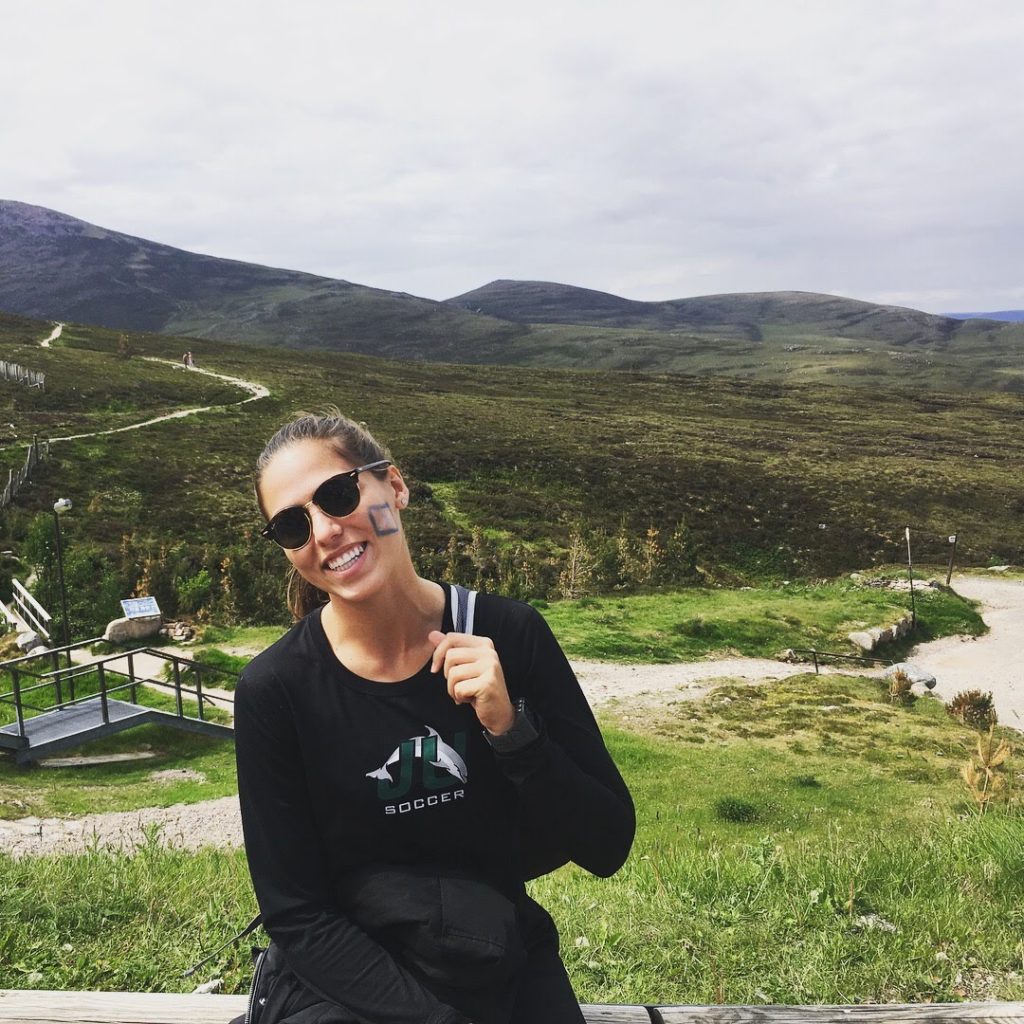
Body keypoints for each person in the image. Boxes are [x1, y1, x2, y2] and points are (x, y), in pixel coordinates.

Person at [234, 410, 635, 1024]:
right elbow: (298, 915)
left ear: (393, 486)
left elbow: (607, 843)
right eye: (292, 525)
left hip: (490, 951)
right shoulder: (276, 689)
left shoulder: (508, 634)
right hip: (344, 977)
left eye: (337, 495)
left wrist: (513, 734)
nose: (324, 532)